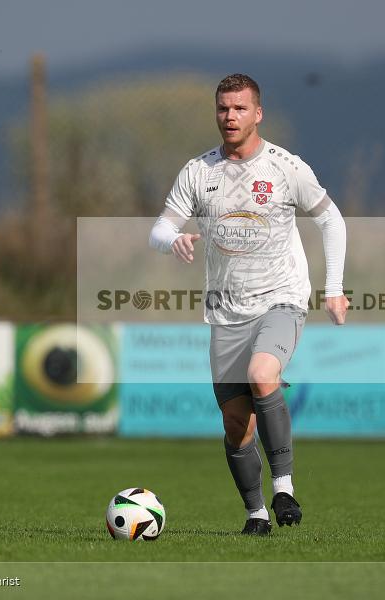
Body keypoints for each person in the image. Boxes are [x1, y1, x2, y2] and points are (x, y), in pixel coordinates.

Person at [149, 73, 348, 535]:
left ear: (258, 113)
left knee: (263, 374)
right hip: (225, 312)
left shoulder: (285, 167)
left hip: (281, 299)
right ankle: (256, 513)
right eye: (223, 108)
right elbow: (159, 229)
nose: (230, 116)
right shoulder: (199, 172)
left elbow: (331, 219)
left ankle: (284, 489)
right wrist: (173, 240)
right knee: (236, 424)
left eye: (240, 108)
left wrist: (333, 287)